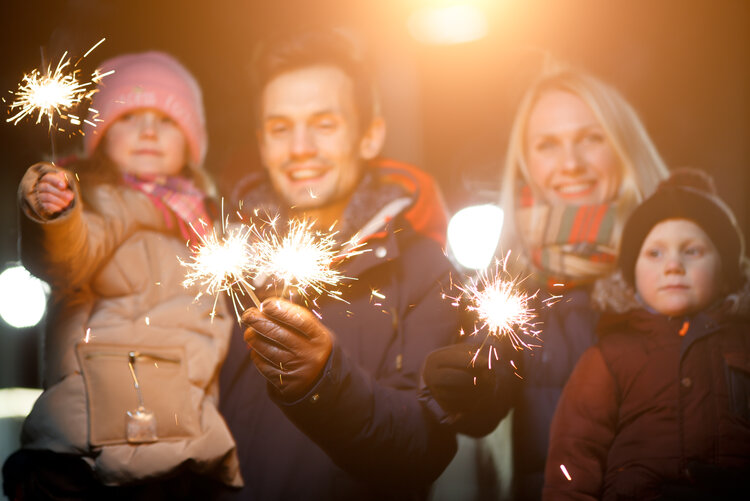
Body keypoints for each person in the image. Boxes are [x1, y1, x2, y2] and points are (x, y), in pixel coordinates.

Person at [216, 29, 461, 500]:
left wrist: (324, 381)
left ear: (370, 136)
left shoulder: (423, 271)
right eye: (280, 128)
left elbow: (424, 447)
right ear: (262, 144)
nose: (300, 147)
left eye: (324, 124)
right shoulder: (226, 266)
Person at [421, 64, 670, 500]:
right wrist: (467, 393)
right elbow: (489, 404)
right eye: (547, 145)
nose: (570, 164)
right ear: (526, 164)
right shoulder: (509, 281)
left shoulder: (690, 260)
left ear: (623, 144)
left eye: (592, 138)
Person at [2, 52, 241, 500]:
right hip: (88, 438)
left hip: (182, 439)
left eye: (167, 120)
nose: (149, 131)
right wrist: (56, 216)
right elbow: (64, 257)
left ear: (192, 142)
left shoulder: (206, 224)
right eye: (130, 116)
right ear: (103, 134)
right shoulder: (96, 202)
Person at [543, 168, 750, 500]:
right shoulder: (609, 355)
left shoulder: (744, 343)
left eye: (692, 251)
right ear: (633, 276)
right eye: (655, 253)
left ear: (725, 271)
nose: (673, 265)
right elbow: (576, 450)